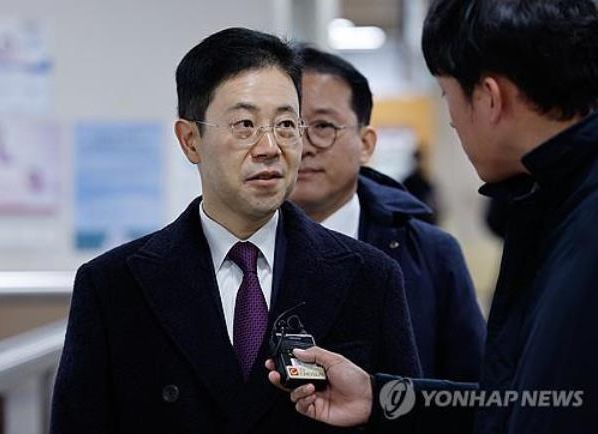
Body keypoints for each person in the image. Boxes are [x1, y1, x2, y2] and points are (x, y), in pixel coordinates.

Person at [49, 28, 421, 434]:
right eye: (245, 124)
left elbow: (405, 422)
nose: (269, 147)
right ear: (190, 140)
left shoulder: (369, 277)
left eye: (285, 125)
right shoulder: (113, 287)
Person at [269, 0, 598, 433]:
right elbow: (531, 400)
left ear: (489, 97)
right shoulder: (553, 208)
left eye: (448, 95)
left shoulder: (578, 225)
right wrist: (381, 396)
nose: (453, 120)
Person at [290, 46, 485, 381]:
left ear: (366, 144)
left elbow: (473, 389)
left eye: (323, 126)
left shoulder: (430, 253)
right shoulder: (241, 252)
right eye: (286, 126)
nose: (303, 146)